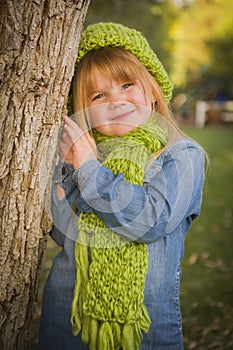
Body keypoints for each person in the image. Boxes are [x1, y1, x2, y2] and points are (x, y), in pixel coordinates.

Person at [39, 22, 205, 350]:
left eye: (127, 85)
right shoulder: (82, 153)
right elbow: (61, 233)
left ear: (152, 91)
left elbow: (149, 221)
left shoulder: (181, 156)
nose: (116, 101)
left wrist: (89, 170)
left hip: (145, 331)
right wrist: (70, 167)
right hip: (67, 320)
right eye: (99, 95)